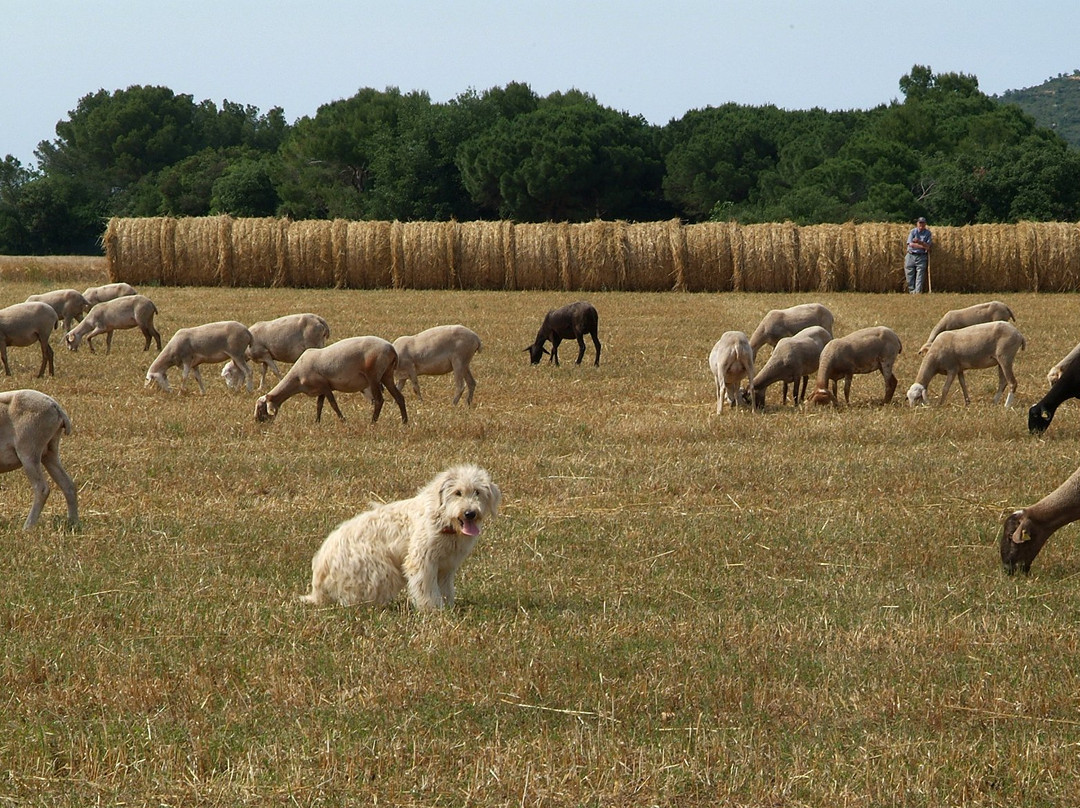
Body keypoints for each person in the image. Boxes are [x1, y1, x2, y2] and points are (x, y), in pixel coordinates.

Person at [904, 217, 932, 293]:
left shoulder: (928, 233)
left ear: (925, 224)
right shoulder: (913, 232)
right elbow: (910, 244)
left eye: (923, 223)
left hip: (921, 256)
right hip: (911, 255)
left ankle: (918, 292)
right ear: (917, 223)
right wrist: (923, 246)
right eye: (920, 223)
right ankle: (912, 291)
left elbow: (928, 247)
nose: (921, 225)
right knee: (909, 274)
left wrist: (919, 242)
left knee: (920, 275)